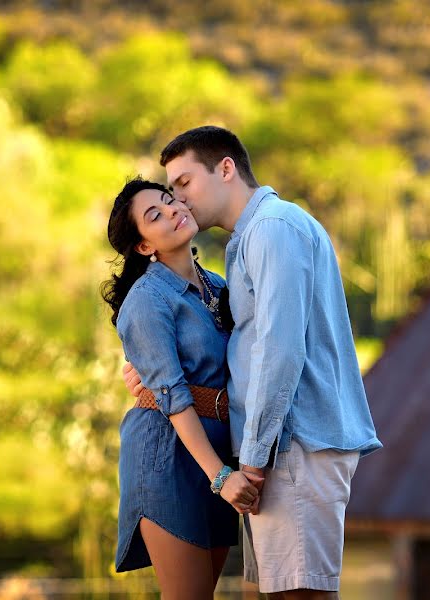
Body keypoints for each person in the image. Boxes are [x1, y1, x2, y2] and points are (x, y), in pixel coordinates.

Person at [122, 126, 382, 599]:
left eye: (181, 186)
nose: (179, 203)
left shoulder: (271, 232)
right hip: (257, 452)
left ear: (225, 169)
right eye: (166, 198)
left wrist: (253, 463)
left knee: (298, 594)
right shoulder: (246, 245)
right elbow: (232, 352)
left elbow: (279, 352)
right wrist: (150, 371)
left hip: (291, 445)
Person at [101, 177, 262, 600]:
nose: (173, 210)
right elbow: (171, 396)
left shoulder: (218, 286)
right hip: (168, 455)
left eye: (170, 200)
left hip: (216, 450)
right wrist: (221, 476)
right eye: (155, 214)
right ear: (143, 246)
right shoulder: (148, 298)